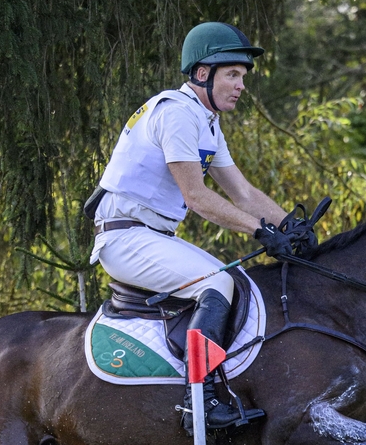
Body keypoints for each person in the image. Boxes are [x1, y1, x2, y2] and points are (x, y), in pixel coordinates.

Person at [87, 22, 295, 435]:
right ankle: (198, 399)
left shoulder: (206, 122)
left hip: (149, 236)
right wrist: (260, 231)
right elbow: (198, 197)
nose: (240, 86)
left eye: (242, 77)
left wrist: (290, 225)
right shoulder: (177, 114)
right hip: (125, 237)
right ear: (203, 73)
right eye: (232, 75)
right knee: (217, 285)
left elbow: (242, 191)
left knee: (231, 281)